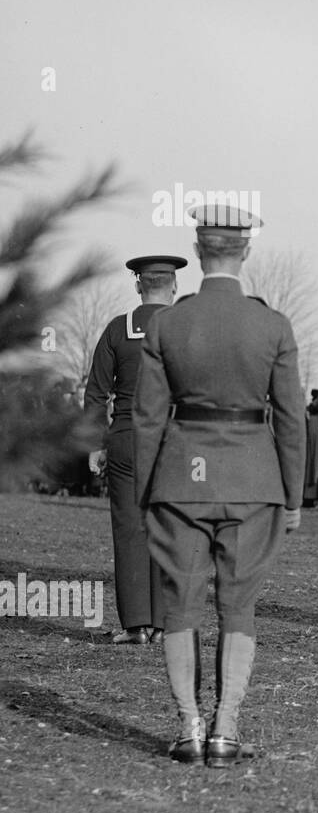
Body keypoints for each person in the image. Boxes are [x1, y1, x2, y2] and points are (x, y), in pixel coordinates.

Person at [133, 206, 304, 764]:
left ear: (198, 250)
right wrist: (294, 497)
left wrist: (145, 494)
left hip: (181, 479)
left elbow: (148, 419)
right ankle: (226, 730)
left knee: (179, 604)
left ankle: (188, 727)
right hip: (255, 481)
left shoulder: (167, 323)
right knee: (240, 605)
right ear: (246, 252)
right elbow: (291, 420)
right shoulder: (272, 325)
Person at [83, 254, 187, 643]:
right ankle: (163, 625)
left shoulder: (117, 329)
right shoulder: (187, 328)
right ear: (173, 286)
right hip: (173, 439)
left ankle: (136, 626)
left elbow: (95, 393)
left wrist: (95, 445)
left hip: (126, 436)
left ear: (138, 285)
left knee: (129, 529)